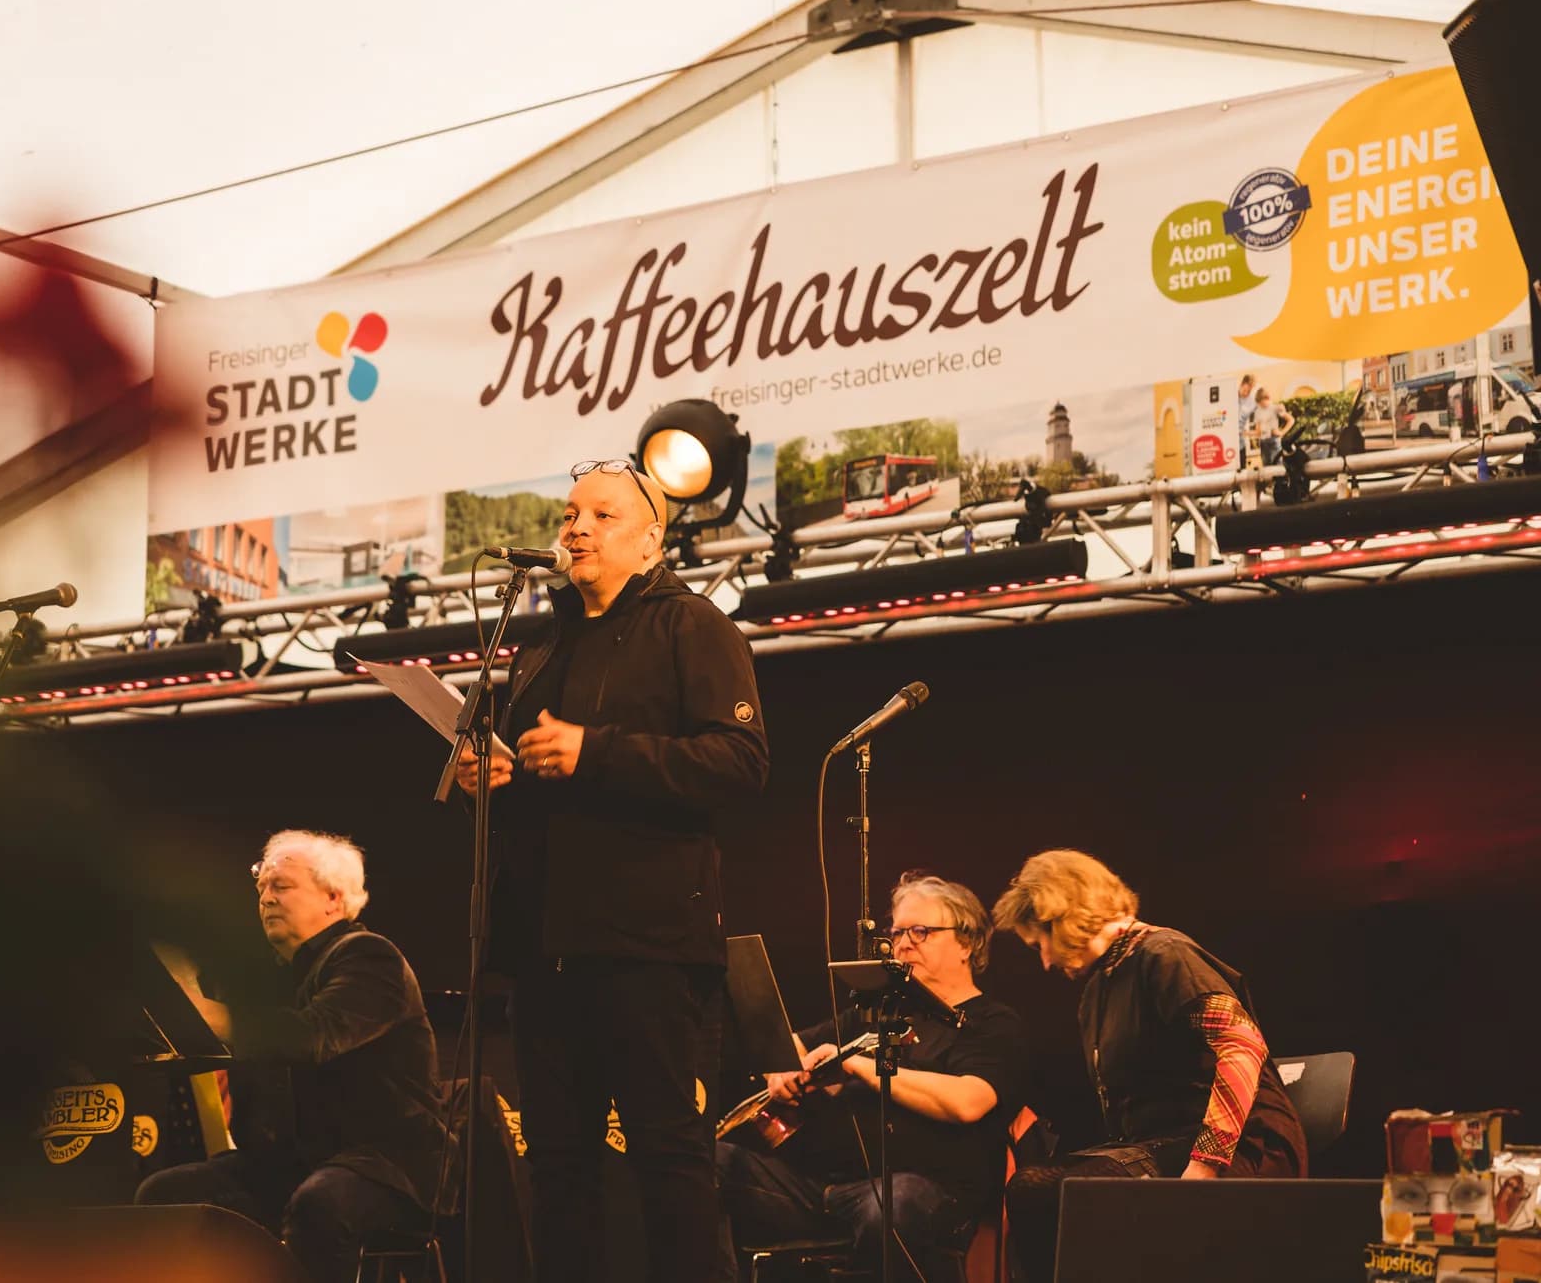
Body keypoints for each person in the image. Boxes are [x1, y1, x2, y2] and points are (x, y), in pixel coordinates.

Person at [457, 457, 770, 1283]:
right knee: (556, 1167)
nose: (577, 528)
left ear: (652, 536)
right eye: (569, 513)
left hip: (649, 947)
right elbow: (540, 777)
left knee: (669, 1161)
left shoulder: (693, 626)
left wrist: (596, 751)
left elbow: (740, 760)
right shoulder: (542, 641)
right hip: (543, 947)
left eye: (601, 515)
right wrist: (491, 776)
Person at [137, 831, 450, 1283]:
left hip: (385, 1164)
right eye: (261, 886)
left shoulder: (369, 957)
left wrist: (209, 1013)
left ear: (333, 898)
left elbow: (314, 1036)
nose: (265, 897)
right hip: (289, 1162)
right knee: (165, 1194)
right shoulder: (271, 973)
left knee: (319, 1203)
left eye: (281, 886)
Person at [991, 851, 1306, 1283]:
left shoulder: (1164, 954)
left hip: (1240, 1146)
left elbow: (1240, 1048)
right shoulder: (1099, 989)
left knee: (1043, 1191)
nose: (1045, 961)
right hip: (1164, 1146)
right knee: (1035, 1185)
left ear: (1060, 916)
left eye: (1039, 943)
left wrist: (1205, 1164)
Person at [717, 875, 1028, 1282]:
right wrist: (780, 1065)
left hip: (924, 1192)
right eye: (897, 932)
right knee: (706, 1161)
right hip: (820, 1190)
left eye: (921, 931)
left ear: (968, 943)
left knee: (892, 1205)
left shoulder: (991, 1023)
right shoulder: (879, 1012)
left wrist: (857, 1063)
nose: (903, 943)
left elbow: (968, 1102)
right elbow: (793, 1043)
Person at [1251, 388, 1293, 465]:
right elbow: (1258, 430)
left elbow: (1291, 420)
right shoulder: (1257, 412)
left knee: (1277, 466)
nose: (1260, 404)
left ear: (1266, 398)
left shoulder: (1275, 408)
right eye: (1259, 403)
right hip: (1263, 442)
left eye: (1261, 402)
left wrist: (1282, 432)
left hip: (1274, 441)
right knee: (1266, 468)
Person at [1234, 375, 1256, 468]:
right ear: (1241, 385)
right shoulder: (1230, 396)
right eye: (1245, 390)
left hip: (1241, 444)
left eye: (1249, 391)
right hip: (1228, 444)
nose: (1246, 393)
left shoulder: (1252, 402)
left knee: (1242, 470)